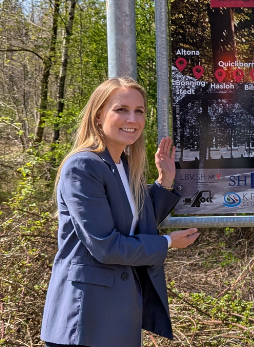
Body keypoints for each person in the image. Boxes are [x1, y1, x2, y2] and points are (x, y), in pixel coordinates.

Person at [41, 77, 201, 347]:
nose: (133, 118)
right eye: (121, 109)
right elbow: (106, 245)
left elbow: (136, 223)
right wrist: (168, 242)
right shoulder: (83, 166)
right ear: (98, 115)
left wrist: (165, 182)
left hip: (118, 313)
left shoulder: (126, 166)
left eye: (139, 111)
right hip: (84, 319)